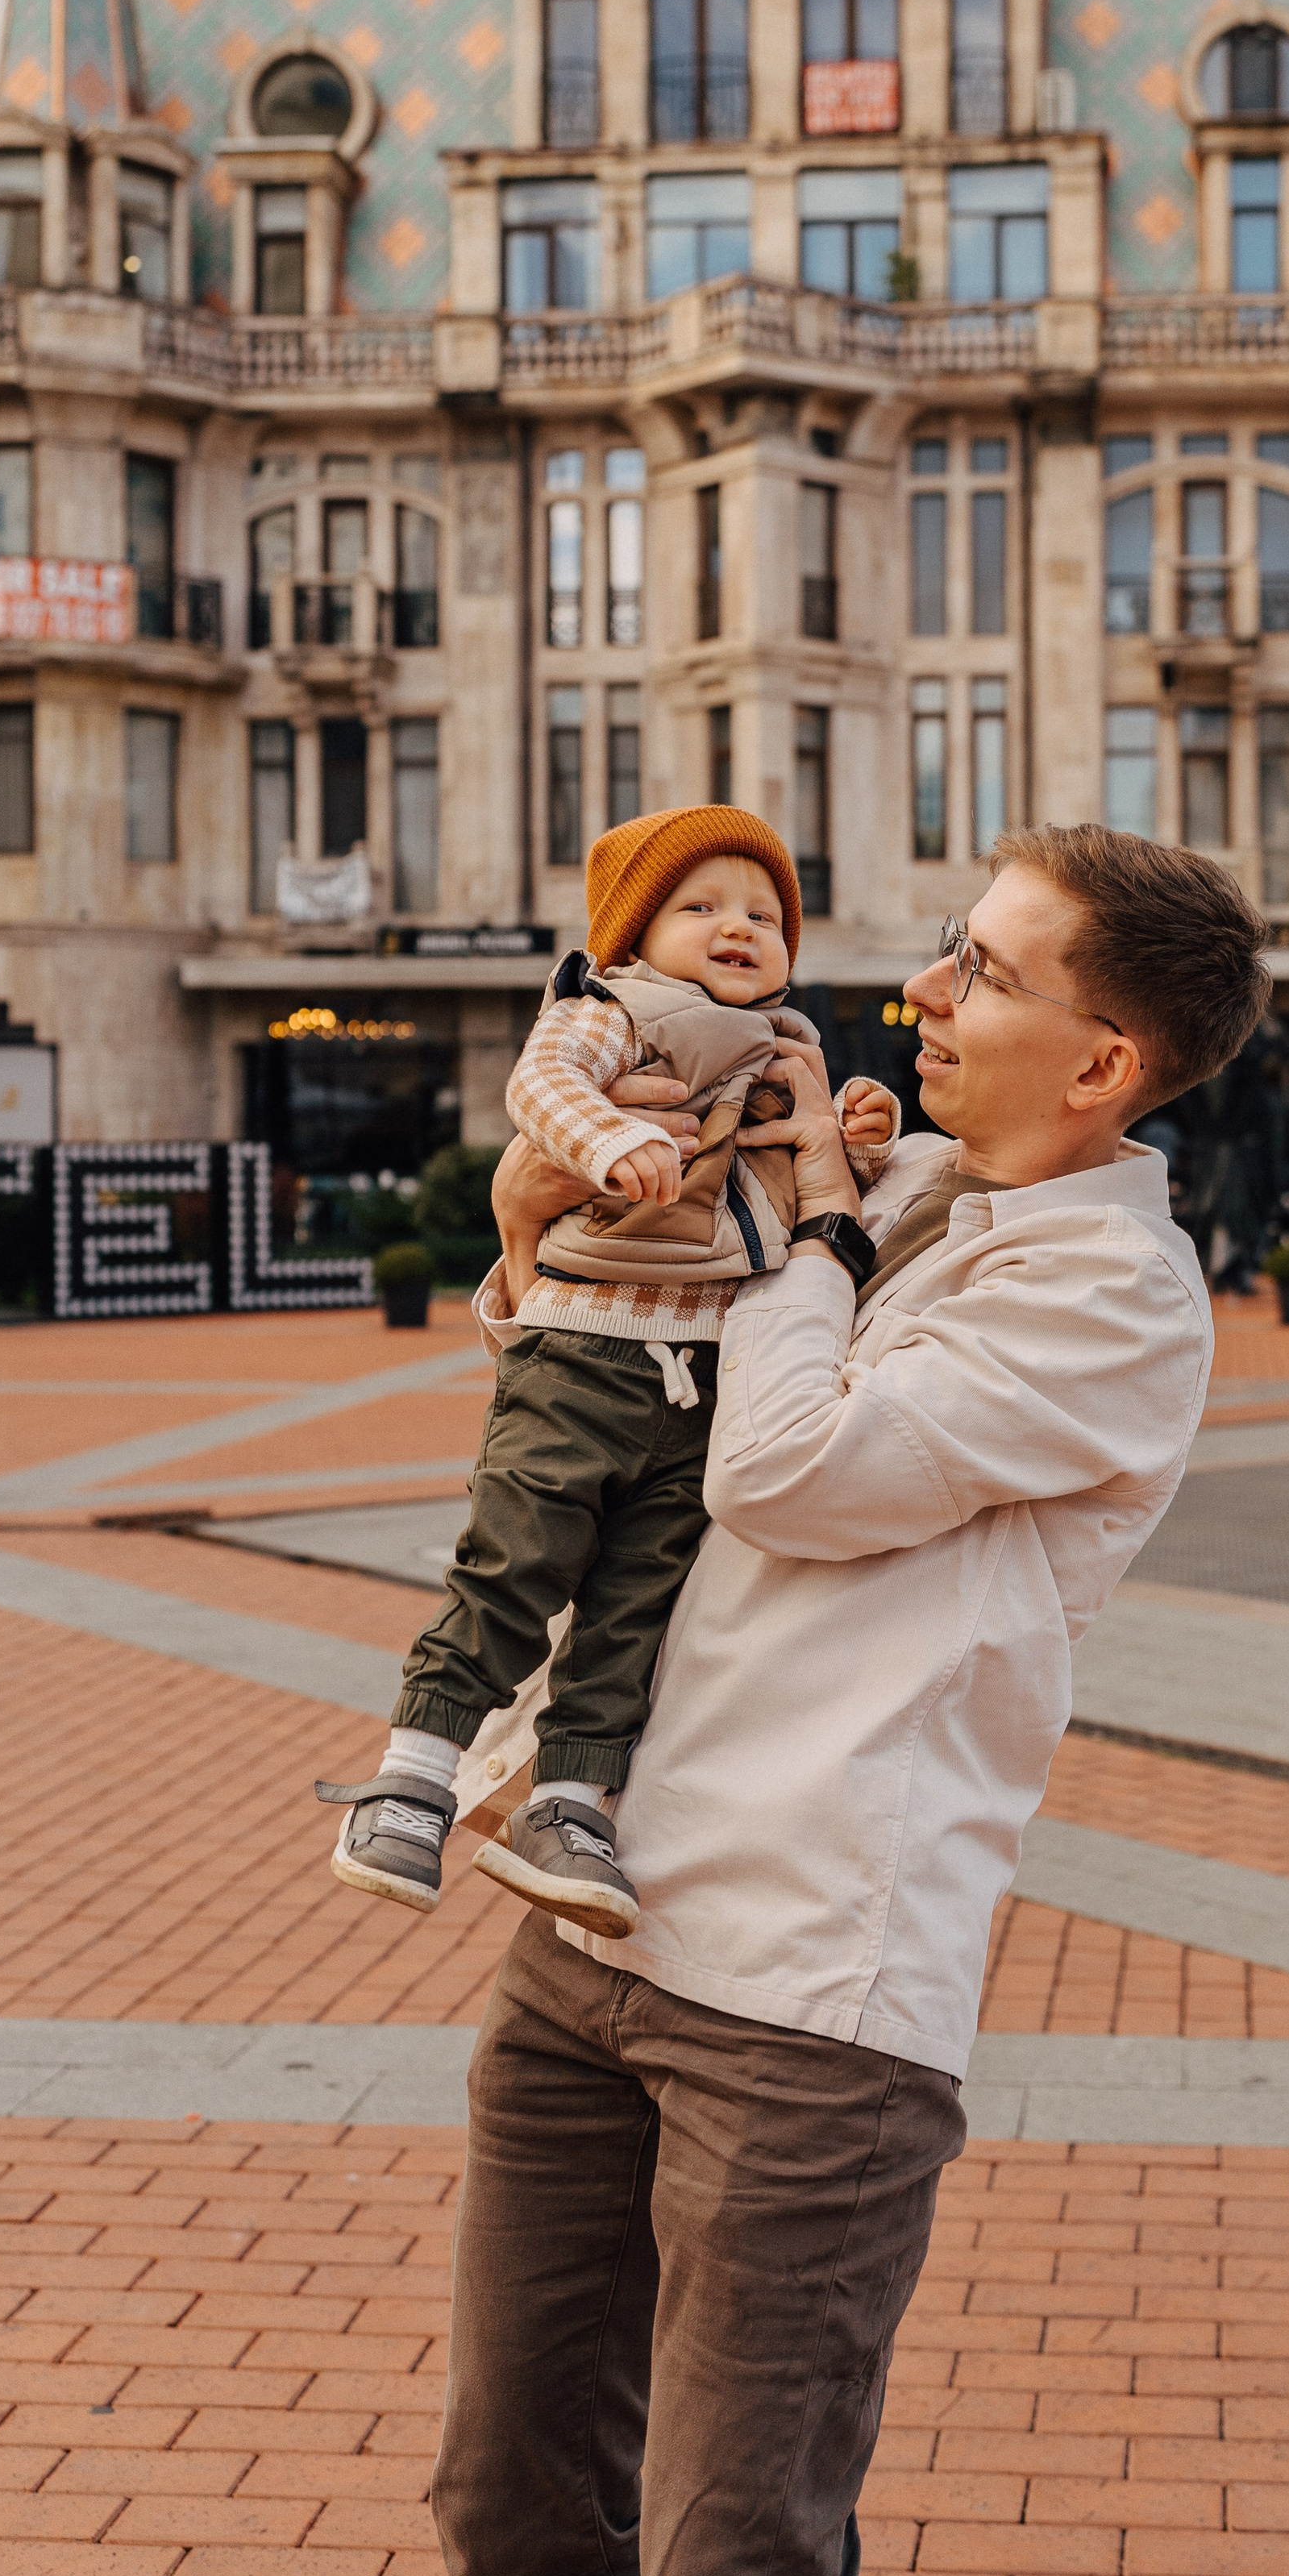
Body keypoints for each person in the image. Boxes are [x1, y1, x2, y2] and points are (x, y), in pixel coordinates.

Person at [430, 823, 1271, 2576]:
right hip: (592, 1918)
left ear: (1106, 1059)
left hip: (807, 2005)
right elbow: (606, 1389)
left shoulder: (1107, 1294)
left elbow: (790, 1470)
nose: (920, 993)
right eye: (945, 952)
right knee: (518, 2523)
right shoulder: (898, 1201)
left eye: (980, 967)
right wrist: (548, 1228)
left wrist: (801, 1226)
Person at [316, 804, 897, 1938]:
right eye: (703, 907)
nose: (740, 928)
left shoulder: (786, 1049)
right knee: (513, 1567)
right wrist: (606, 1139)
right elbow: (540, 1090)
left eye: (765, 915)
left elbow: (797, 1168)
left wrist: (857, 1131)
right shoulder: (611, 1008)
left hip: (702, 1377)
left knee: (635, 1607)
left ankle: (570, 1806)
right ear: (636, 931)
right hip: (583, 1350)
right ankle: (411, 1777)